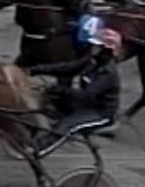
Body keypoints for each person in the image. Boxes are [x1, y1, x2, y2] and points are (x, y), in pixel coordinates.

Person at [28, 27, 122, 158]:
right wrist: (36, 70)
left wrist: (59, 89)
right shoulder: (92, 61)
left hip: (99, 113)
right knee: (47, 97)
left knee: (68, 124)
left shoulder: (108, 73)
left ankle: (39, 151)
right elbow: (68, 68)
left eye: (96, 46)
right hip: (84, 105)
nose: (92, 48)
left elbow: (86, 96)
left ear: (107, 50)